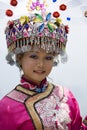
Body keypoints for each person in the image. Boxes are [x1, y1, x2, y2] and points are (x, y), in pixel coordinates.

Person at [0, 0, 87, 130]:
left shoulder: (66, 95)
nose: (41, 64)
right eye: (33, 56)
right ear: (20, 58)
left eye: (48, 57)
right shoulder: (7, 107)